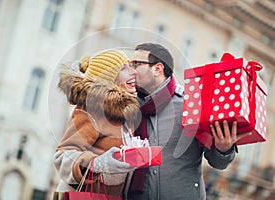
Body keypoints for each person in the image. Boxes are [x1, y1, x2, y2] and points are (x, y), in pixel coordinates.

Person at [127, 43, 250, 200]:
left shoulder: (190, 106)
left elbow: (218, 163)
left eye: (136, 64)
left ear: (158, 69)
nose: (131, 70)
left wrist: (223, 149)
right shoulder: (129, 108)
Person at [53, 49, 139, 199]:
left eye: (131, 66)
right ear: (110, 78)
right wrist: (96, 164)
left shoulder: (127, 114)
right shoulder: (91, 110)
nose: (133, 72)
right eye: (124, 68)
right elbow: (62, 156)